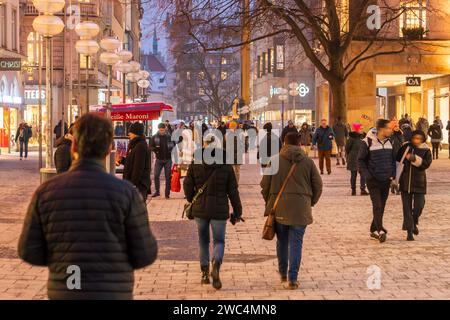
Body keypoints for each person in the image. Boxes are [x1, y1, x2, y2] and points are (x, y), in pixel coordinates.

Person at [18, 113, 158, 300]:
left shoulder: (46, 193)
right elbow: (146, 253)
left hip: (66, 290)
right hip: (112, 291)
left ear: (74, 146)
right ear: (109, 149)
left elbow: (29, 250)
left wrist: (60, 259)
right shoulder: (126, 194)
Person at [260, 132, 323, 290]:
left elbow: (264, 185)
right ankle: (293, 279)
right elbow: (318, 185)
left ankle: (282, 273)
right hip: (301, 207)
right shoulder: (308, 162)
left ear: (283, 143)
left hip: (279, 207)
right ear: (300, 144)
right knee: (296, 243)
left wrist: (270, 200)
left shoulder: (274, 161)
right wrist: (310, 201)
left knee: (282, 241)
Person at [183, 136, 242, 290]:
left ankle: (204, 273)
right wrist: (237, 211)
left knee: (203, 241)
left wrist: (191, 198)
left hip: (200, 209)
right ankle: (216, 262)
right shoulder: (226, 165)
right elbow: (233, 191)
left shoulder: (196, 162)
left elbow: (187, 184)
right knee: (219, 241)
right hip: (219, 209)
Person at [358, 119, 395, 243]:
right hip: (373, 180)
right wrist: (367, 175)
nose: (391, 130)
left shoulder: (391, 141)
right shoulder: (367, 142)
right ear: (380, 130)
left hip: (386, 179)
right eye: (388, 128)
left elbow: (394, 159)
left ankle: (374, 227)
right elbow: (361, 160)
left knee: (382, 205)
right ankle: (380, 230)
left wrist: (392, 174)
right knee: (377, 205)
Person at [397, 130, 432, 241]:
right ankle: (409, 232)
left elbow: (426, 164)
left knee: (419, 206)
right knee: (406, 208)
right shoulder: (405, 147)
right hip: (405, 182)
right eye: (415, 138)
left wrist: (414, 159)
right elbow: (397, 161)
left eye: (419, 139)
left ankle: (414, 221)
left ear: (423, 139)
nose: (416, 141)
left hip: (419, 182)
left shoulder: (426, 150)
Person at [118, 122, 151, 201]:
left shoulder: (140, 146)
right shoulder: (134, 145)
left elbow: (138, 168)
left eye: (130, 132)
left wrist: (133, 184)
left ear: (136, 133)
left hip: (139, 186)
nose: (129, 134)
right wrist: (121, 160)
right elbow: (131, 163)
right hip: (133, 184)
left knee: (137, 210)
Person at [150, 123, 175, 198]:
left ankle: (167, 194)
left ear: (165, 129)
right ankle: (157, 191)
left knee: (168, 177)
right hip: (159, 159)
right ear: (158, 129)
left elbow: (174, 145)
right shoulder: (154, 137)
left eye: (163, 130)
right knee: (156, 175)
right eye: (160, 130)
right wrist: (156, 150)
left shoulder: (169, 137)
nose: (161, 131)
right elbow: (151, 146)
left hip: (168, 159)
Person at [345, 123, 369, 196]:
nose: (362, 130)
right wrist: (350, 156)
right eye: (360, 128)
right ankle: (353, 190)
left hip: (362, 158)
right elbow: (347, 148)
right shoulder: (352, 138)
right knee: (353, 175)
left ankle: (363, 189)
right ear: (356, 129)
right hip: (353, 158)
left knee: (363, 175)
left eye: (362, 128)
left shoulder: (364, 137)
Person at [390, 121, 404, 195]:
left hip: (400, 156)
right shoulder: (390, 136)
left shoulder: (400, 135)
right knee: (395, 173)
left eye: (398, 126)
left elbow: (402, 143)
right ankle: (396, 188)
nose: (397, 128)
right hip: (393, 157)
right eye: (395, 127)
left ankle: (394, 187)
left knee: (400, 172)